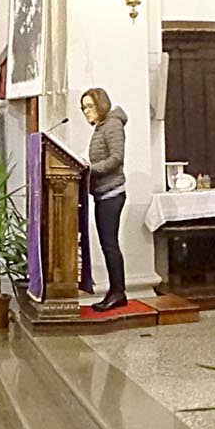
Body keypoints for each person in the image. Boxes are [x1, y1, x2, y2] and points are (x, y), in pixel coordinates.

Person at [83, 87, 130, 311]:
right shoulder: (102, 126)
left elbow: (116, 158)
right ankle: (115, 291)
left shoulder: (112, 125)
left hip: (112, 192)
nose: (86, 111)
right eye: (83, 108)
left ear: (100, 104)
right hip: (102, 193)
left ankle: (118, 292)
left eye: (89, 106)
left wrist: (89, 169)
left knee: (110, 245)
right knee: (107, 244)